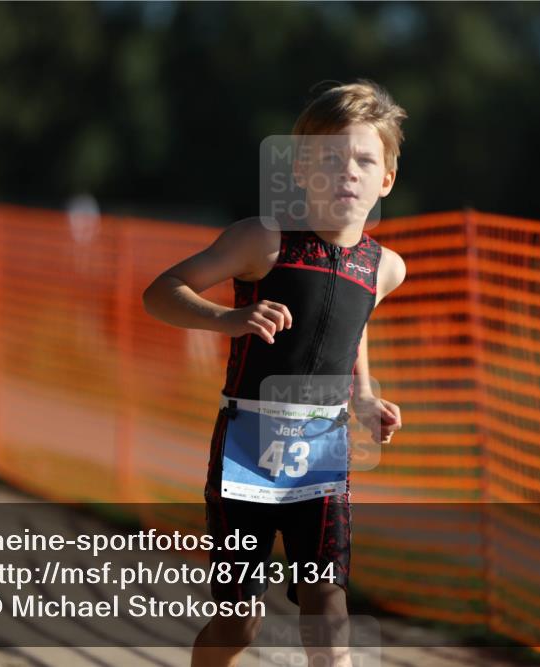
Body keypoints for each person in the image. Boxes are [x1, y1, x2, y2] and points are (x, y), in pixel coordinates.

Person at [143, 79, 408, 667]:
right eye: (331, 159)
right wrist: (230, 317)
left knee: (328, 601)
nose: (349, 172)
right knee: (239, 624)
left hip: (322, 456)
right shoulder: (262, 241)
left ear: (386, 178)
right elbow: (160, 293)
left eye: (365, 160)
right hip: (245, 454)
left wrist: (363, 398)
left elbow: (351, 326)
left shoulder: (385, 268)